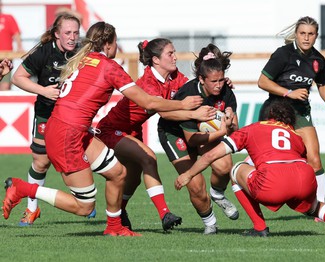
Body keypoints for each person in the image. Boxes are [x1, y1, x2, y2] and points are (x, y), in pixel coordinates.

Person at [2, 21, 202, 236]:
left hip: (73, 129)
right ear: (108, 44)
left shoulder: (82, 59)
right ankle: (24, 188)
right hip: (67, 134)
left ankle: (114, 227)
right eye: (116, 42)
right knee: (85, 206)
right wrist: (184, 105)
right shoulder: (109, 67)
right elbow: (148, 102)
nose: (117, 47)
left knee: (118, 173)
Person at [175, 98, 325, 237]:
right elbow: (295, 156)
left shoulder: (251, 130)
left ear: (264, 115)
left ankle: (260, 227)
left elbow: (211, 155)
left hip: (273, 183)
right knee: (315, 208)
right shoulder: (294, 134)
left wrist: (188, 175)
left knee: (236, 170)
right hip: (304, 178)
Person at [96, 38, 216, 231]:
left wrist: (217, 84)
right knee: (149, 158)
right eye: (170, 53)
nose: (175, 57)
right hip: (110, 130)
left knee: (133, 178)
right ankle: (164, 214)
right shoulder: (148, 83)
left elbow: (193, 89)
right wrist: (192, 112)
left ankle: (119, 212)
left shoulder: (174, 75)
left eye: (174, 52)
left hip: (133, 130)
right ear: (156, 60)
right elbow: (163, 110)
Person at [157, 43, 239, 234]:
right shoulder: (189, 94)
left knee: (224, 165)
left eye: (221, 80)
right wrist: (222, 132)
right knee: (195, 185)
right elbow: (192, 140)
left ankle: (217, 194)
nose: (219, 85)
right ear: (202, 79)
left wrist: (230, 122)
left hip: (203, 134)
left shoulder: (226, 90)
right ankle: (210, 223)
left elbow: (235, 129)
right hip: (175, 134)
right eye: (214, 81)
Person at [257, 16, 325, 211]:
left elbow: (323, 84)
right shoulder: (283, 55)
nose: (306, 38)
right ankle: (253, 196)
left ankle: (320, 206)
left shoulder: (318, 59)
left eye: (310, 34)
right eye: (302, 33)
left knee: (314, 158)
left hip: (301, 112)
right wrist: (288, 93)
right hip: (275, 110)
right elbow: (262, 82)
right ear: (297, 34)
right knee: (264, 160)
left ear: (316, 36)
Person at [10, 13, 82, 226]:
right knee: (41, 162)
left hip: (74, 115)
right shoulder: (43, 52)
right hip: (46, 113)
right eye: (67, 33)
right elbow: (17, 78)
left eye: (76, 33)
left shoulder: (83, 53)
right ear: (57, 34)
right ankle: (32, 209)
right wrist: (43, 91)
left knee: (79, 157)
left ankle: (86, 201)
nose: (72, 37)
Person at [0, 2, 23, 91]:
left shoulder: (8, 18)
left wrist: (19, 47)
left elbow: (16, 33)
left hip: (5, 57)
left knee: (5, 86)